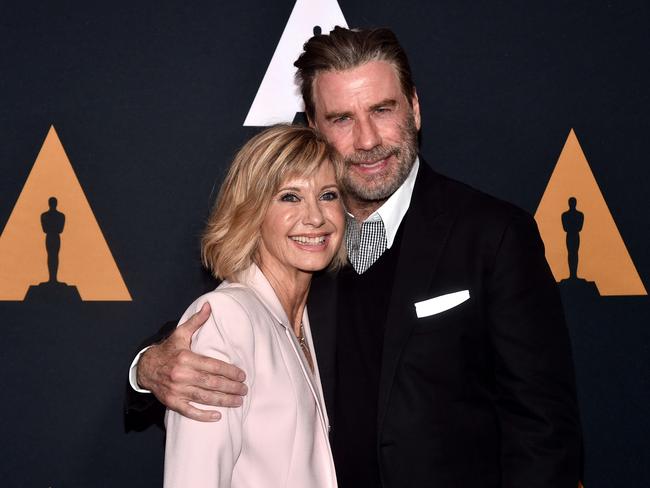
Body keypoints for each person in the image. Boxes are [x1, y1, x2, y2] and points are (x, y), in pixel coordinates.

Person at [127, 27, 582, 488]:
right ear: (314, 130)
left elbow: (543, 429)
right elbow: (225, 321)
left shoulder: (493, 235)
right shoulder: (302, 241)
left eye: (382, 110)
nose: (367, 140)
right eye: (342, 118)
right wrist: (147, 367)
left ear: (415, 109)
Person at [163, 124, 343, 487]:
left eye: (328, 195)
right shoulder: (224, 320)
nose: (315, 217)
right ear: (251, 211)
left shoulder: (308, 317)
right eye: (290, 197)